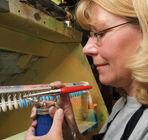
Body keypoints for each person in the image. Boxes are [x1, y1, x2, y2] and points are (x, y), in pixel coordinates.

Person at [24, 0, 148, 139]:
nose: (86, 49)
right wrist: (70, 132)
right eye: (91, 35)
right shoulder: (123, 103)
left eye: (100, 33)